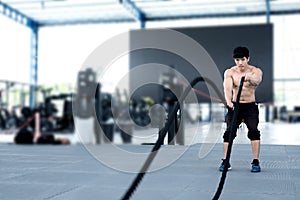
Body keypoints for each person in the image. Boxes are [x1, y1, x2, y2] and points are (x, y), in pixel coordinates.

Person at [219, 46, 263, 173]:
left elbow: (257, 81)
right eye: (237, 60)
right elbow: (227, 88)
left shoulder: (255, 71)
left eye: (242, 59)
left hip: (250, 106)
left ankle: (255, 161)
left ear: (248, 58)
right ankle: (225, 160)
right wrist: (228, 102)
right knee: (228, 133)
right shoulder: (230, 72)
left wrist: (248, 77)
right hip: (235, 106)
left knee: (254, 132)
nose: (240, 63)